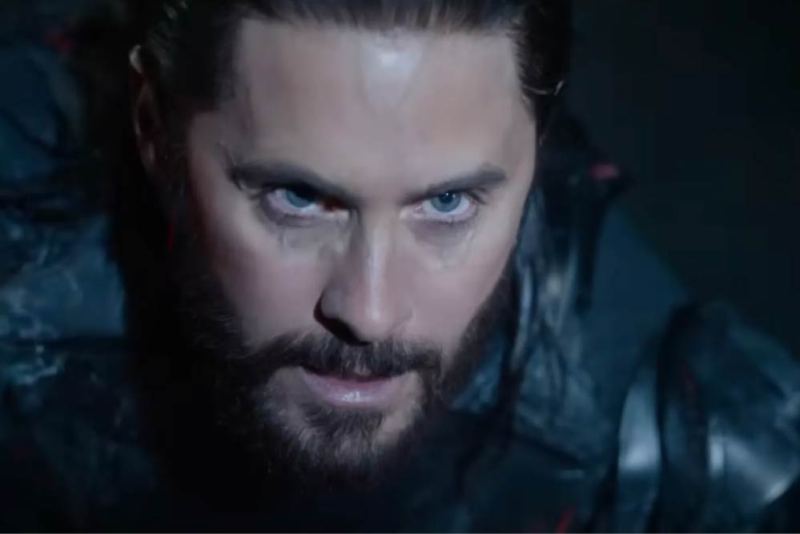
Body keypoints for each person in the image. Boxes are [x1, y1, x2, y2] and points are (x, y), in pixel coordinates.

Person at [0, 0, 798, 530]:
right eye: (298, 198)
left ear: (537, 158)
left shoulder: (670, 447)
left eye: (448, 204)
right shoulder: (21, 265)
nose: (370, 312)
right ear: (153, 131)